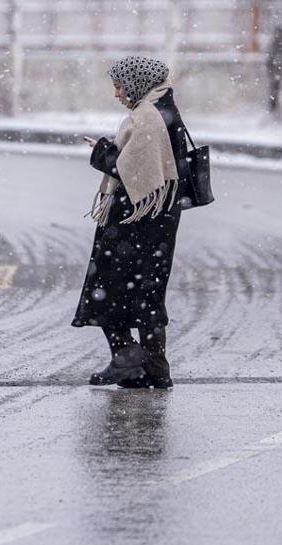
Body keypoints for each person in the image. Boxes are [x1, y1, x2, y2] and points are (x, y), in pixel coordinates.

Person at [72, 56, 189, 389]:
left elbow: (131, 170)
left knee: (111, 285)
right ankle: (153, 368)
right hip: (157, 216)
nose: (116, 94)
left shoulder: (148, 117)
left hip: (136, 217)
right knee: (147, 290)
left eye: (119, 86)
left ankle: (127, 358)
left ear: (136, 83)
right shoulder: (161, 109)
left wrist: (102, 152)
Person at [267, 22, 282, 113]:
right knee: (276, 92)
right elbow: (273, 57)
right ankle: (274, 111)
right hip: (277, 71)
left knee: (278, 92)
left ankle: (278, 111)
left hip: (280, 72)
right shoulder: (279, 41)